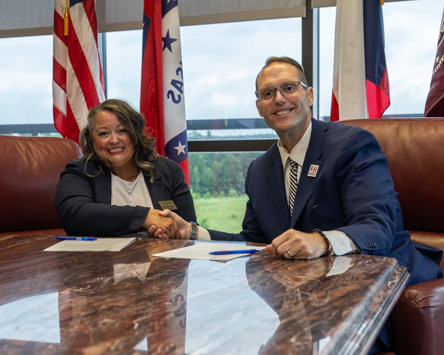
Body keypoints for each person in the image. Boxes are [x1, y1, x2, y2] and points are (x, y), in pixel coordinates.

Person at [150, 57, 443, 353]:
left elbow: (379, 227)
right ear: (259, 107)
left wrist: (321, 241)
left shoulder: (352, 145)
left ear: (309, 95)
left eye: (289, 88)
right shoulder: (259, 169)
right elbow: (254, 242)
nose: (279, 99)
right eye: (267, 93)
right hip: (311, 295)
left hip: (380, 282)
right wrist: (193, 233)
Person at [55, 99, 196, 238]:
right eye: (104, 133)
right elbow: (74, 214)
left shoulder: (169, 170)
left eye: (122, 131)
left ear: (135, 134)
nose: (114, 140)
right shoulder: (79, 172)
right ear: (92, 140)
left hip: (162, 258)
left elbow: (188, 228)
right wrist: (144, 216)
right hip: (102, 259)